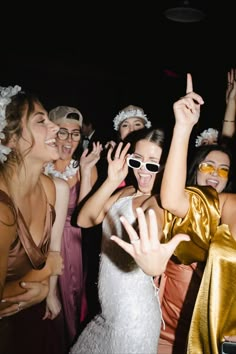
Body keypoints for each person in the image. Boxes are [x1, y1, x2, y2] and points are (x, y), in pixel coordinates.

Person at [70, 128, 189, 354]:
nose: (143, 170)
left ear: (167, 166)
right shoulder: (126, 193)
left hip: (134, 320)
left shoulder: (159, 202)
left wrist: (154, 263)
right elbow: (84, 220)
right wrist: (112, 180)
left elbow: (154, 229)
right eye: (138, 161)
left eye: (153, 163)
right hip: (107, 314)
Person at [160, 73, 236, 353]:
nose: (216, 173)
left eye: (224, 171)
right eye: (208, 167)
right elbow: (172, 199)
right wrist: (183, 127)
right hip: (180, 316)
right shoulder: (219, 204)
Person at [0, 85, 67, 354]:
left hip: (29, 321)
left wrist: (45, 292)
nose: (55, 128)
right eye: (41, 121)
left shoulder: (50, 188)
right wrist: (44, 272)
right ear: (10, 140)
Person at [44, 105, 102, 350]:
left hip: (70, 242)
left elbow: (82, 216)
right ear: (52, 132)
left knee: (68, 300)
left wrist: (86, 171)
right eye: (63, 132)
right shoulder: (39, 163)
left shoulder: (85, 166)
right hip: (38, 240)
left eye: (76, 133)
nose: (69, 140)